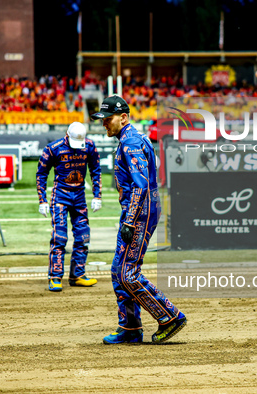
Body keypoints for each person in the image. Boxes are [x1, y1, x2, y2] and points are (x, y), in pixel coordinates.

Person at [91, 95, 187, 344]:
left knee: (127, 273)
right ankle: (130, 329)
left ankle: (170, 316)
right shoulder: (131, 138)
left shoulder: (130, 142)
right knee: (118, 270)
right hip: (142, 211)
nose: (104, 124)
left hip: (140, 213)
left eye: (108, 119)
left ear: (123, 117)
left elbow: (141, 185)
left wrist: (129, 221)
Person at [36, 122, 102, 291]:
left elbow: (96, 169)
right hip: (60, 197)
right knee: (59, 237)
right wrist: (42, 200)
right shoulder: (53, 148)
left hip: (80, 196)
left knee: (83, 235)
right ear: (67, 134)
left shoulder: (89, 145)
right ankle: (55, 277)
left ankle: (77, 275)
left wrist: (97, 195)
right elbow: (41, 173)